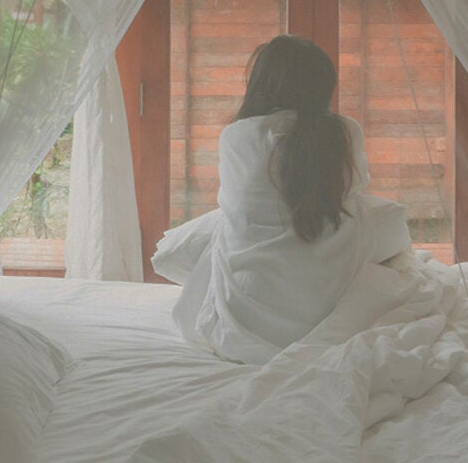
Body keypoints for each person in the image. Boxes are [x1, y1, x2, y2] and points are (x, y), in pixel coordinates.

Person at [170, 35, 413, 364]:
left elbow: (239, 203)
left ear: (263, 83)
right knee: (383, 217)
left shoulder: (237, 135)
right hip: (326, 297)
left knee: (222, 225)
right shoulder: (344, 130)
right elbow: (358, 186)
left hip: (246, 321)